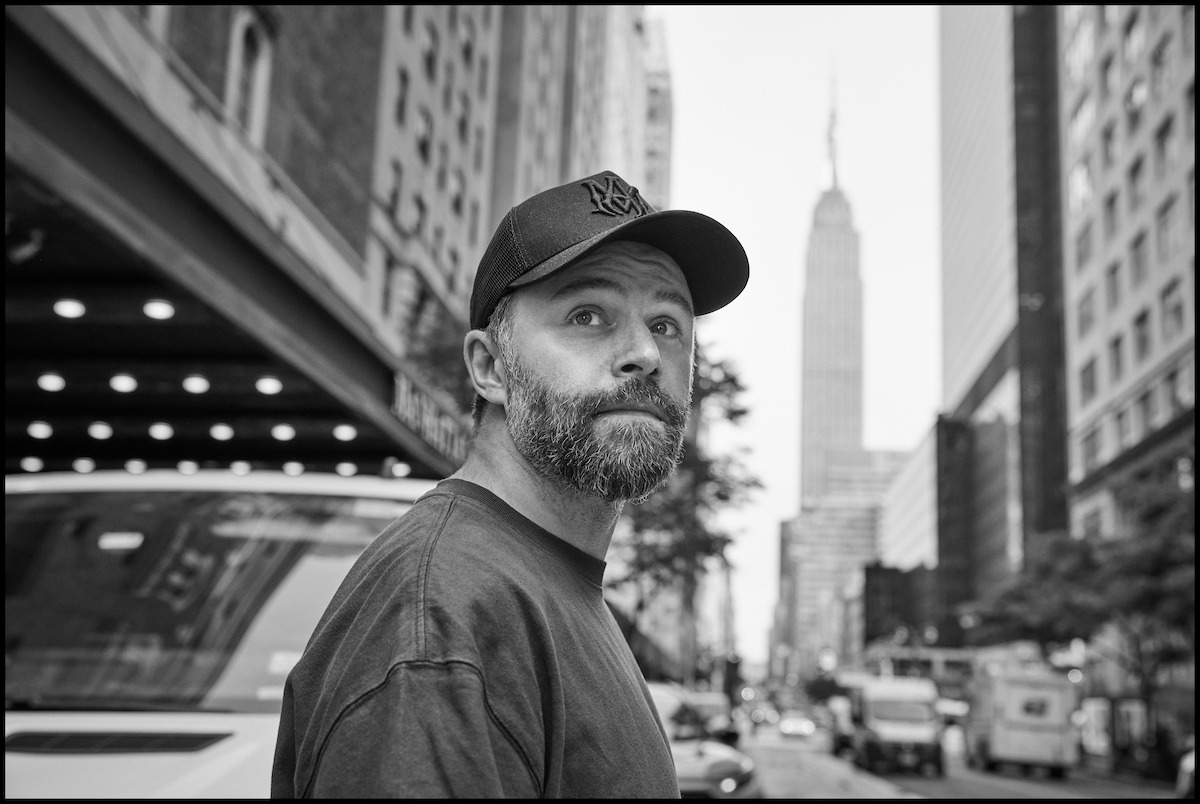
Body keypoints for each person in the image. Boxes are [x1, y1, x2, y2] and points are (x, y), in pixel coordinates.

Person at [271, 170, 749, 798]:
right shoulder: (442, 620)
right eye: (588, 315)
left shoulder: (551, 589)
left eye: (666, 323)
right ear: (490, 368)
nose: (645, 353)